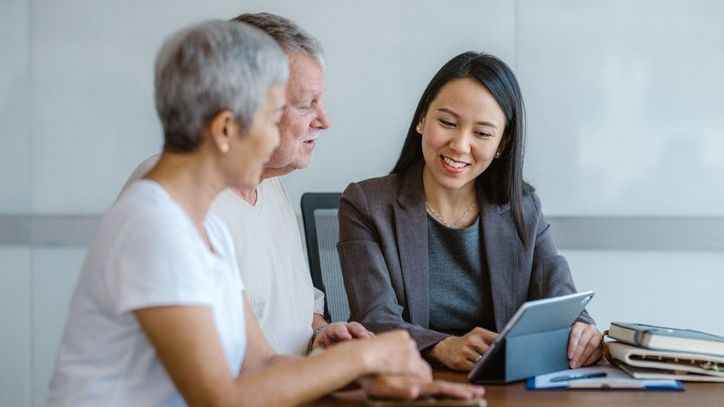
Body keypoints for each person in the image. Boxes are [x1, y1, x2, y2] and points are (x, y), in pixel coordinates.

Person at [48, 21, 484, 406]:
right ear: (224, 130)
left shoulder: (203, 228)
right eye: (274, 114)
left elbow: (260, 365)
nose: (283, 132)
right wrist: (368, 354)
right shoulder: (154, 225)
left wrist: (366, 382)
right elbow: (222, 398)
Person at [337, 52, 604, 372]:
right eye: (448, 123)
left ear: (502, 144)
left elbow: (562, 301)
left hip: (505, 388)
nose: (460, 145)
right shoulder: (366, 203)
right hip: (413, 384)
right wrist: (441, 347)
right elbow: (374, 320)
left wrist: (582, 330)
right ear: (422, 119)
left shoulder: (523, 207)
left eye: (482, 133)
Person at [122, 12, 365, 356]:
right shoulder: (175, 201)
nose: (325, 120)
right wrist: (360, 362)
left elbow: (284, 328)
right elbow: (226, 385)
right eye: (306, 104)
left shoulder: (268, 184)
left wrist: (321, 335)